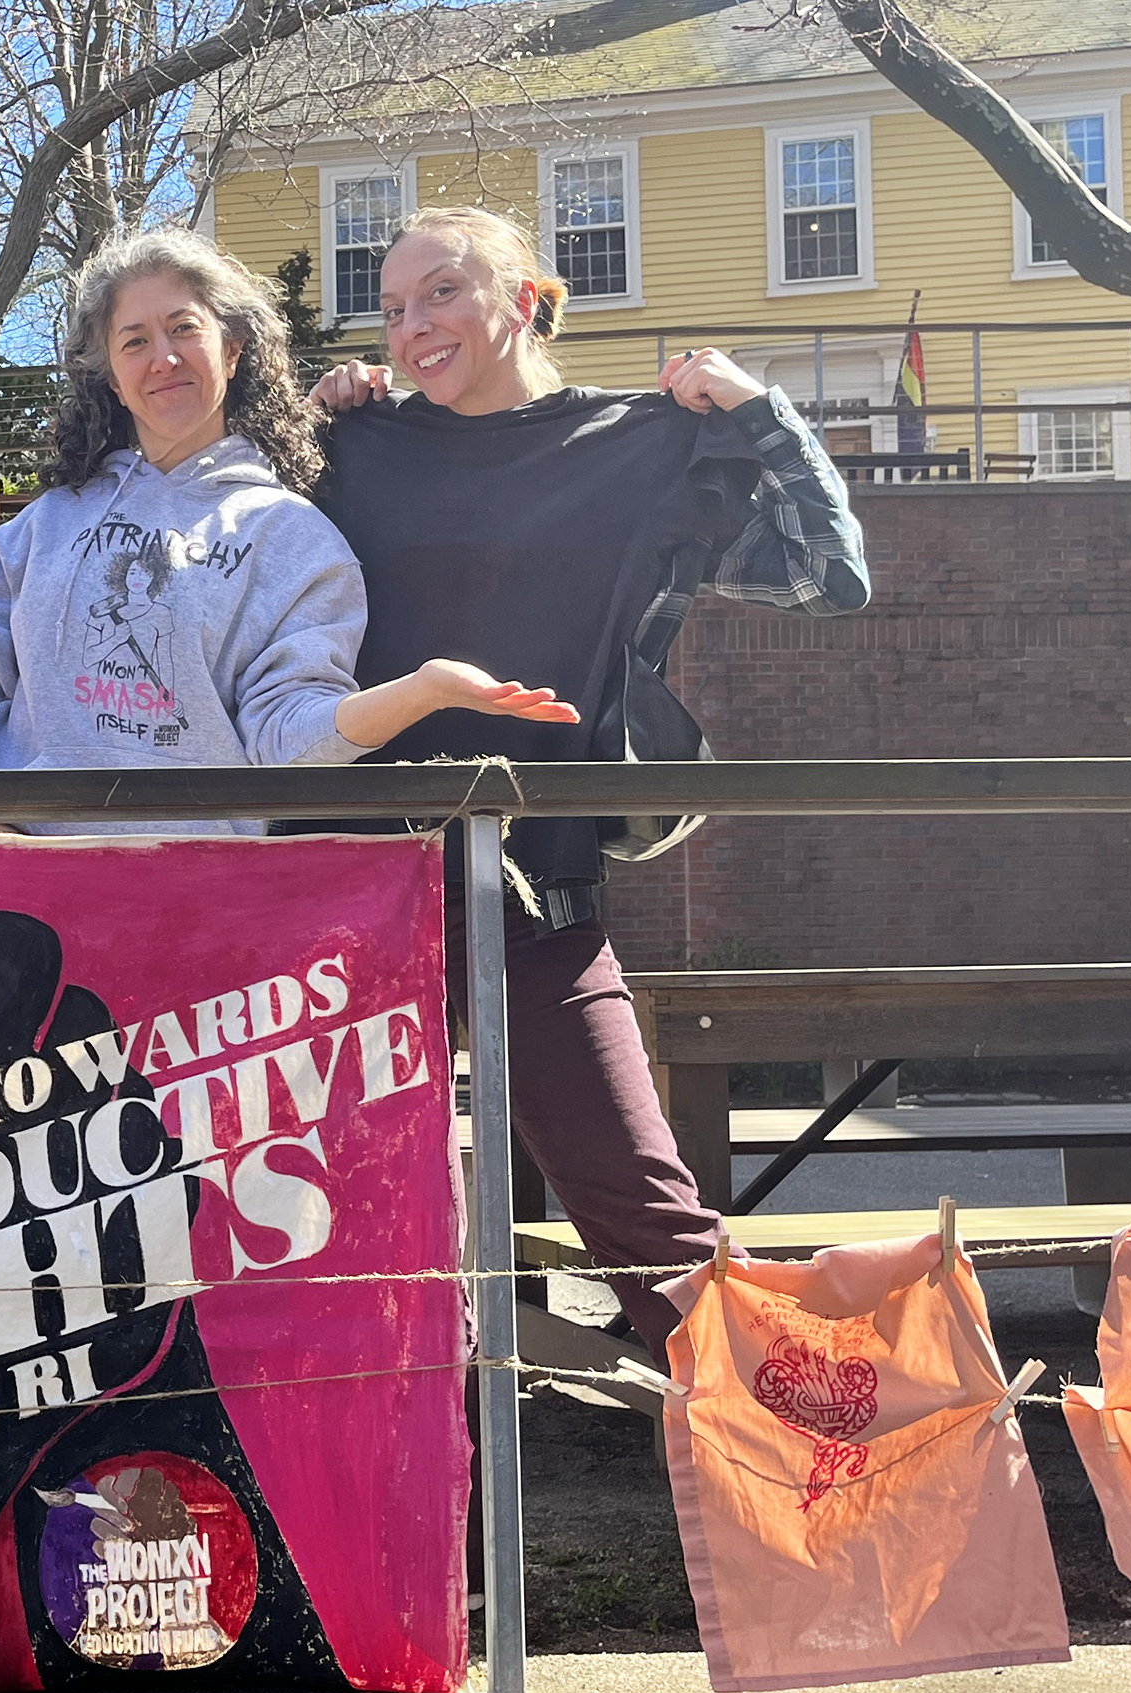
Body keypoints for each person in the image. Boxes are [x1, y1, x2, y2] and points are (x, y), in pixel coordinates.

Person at [311, 205, 871, 1340]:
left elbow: (828, 578)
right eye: (393, 305)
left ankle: (798, 1479)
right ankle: (383, 1504)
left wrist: (762, 414)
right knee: (330, 1243)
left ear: (524, 301)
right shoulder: (353, 448)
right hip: (345, 904)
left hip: (536, 900)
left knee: (660, 1244)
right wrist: (312, 416)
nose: (412, 326)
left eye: (443, 293)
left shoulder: (637, 446)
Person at [0, 228, 571, 836]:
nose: (161, 358)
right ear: (111, 376)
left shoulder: (296, 540)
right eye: (133, 341)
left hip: (194, 904)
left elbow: (284, 740)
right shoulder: (47, 524)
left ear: (232, 349)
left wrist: (423, 689)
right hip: (15, 888)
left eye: (184, 329)